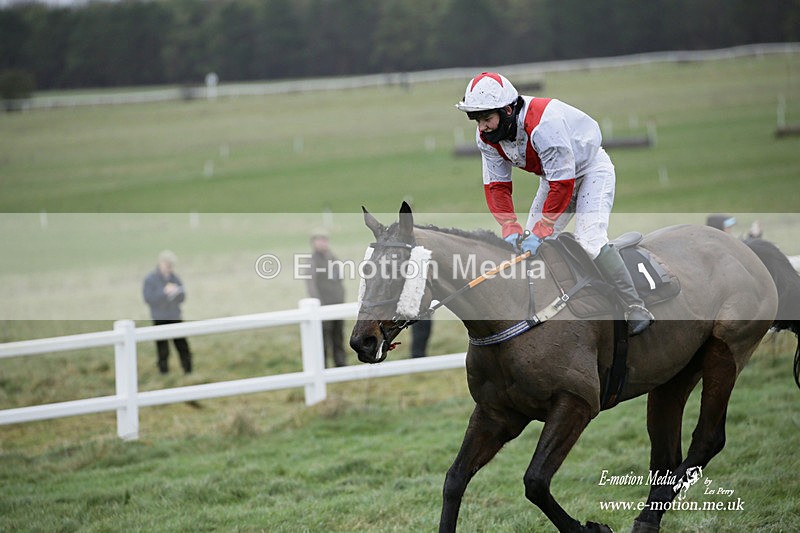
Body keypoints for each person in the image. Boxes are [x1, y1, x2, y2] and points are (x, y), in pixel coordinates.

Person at [455, 72, 653, 335]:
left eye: (487, 119)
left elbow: (564, 185)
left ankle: (635, 305)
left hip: (591, 169)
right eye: (477, 120)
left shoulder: (542, 124)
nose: (482, 127)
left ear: (507, 110)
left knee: (590, 239)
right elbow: (497, 187)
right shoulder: (486, 139)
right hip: (554, 178)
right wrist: (509, 226)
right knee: (528, 248)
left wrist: (544, 228)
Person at [142, 250, 193, 374]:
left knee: (182, 346)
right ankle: (163, 372)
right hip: (160, 318)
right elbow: (148, 298)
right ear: (161, 263)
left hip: (175, 316)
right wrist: (164, 292)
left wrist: (176, 292)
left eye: (171, 266)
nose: (169, 268)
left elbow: (183, 297)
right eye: (167, 265)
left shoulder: (175, 278)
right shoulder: (151, 279)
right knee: (162, 348)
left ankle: (188, 370)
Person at [306, 229, 347, 367]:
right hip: (323, 307)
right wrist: (319, 305)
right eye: (319, 240)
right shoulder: (312, 261)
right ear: (313, 243)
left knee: (338, 336)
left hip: (337, 304)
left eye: (324, 240)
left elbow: (339, 278)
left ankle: (341, 364)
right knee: (322, 339)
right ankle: (321, 367)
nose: (323, 243)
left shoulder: (333, 258)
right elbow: (311, 285)